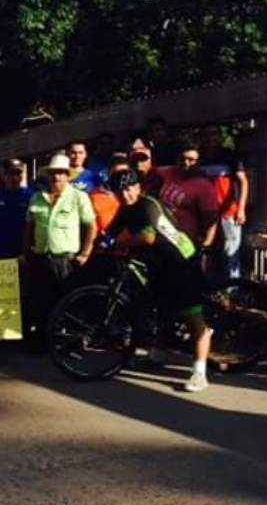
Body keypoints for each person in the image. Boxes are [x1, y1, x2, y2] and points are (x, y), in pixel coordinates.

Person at [106, 169, 214, 393]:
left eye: (128, 189)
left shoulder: (148, 205)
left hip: (181, 260)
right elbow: (110, 233)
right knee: (161, 308)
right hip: (158, 264)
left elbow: (149, 236)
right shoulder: (125, 210)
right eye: (120, 191)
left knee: (193, 317)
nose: (125, 195)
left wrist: (120, 243)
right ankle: (158, 353)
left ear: (138, 188)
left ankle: (200, 372)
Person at [24, 153, 97, 332]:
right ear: (48, 175)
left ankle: (70, 342)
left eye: (61, 172)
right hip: (41, 258)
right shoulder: (36, 198)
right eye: (54, 172)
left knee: (69, 304)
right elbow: (29, 228)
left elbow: (91, 226)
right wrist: (26, 253)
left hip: (66, 261)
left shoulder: (78, 197)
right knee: (42, 302)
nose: (57, 176)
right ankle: (44, 342)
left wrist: (85, 253)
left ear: (67, 175)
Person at [199, 125, 249, 281]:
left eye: (214, 134)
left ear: (219, 137)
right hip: (205, 213)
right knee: (206, 251)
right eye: (207, 135)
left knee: (231, 251)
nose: (210, 138)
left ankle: (233, 291)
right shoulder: (198, 158)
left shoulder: (230, 156)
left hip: (228, 212)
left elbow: (243, 181)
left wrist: (241, 209)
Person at [157, 144, 219, 250]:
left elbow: (211, 219)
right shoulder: (170, 172)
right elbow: (148, 169)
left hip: (186, 241)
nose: (186, 163)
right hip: (164, 237)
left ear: (198, 162)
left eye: (191, 160)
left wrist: (206, 246)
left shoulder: (204, 186)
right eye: (182, 159)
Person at [0, 159, 32, 259]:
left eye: (18, 173)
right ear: (4, 175)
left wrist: (26, 252)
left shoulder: (29, 196)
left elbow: (30, 226)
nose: (15, 177)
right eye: (11, 173)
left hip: (20, 253)